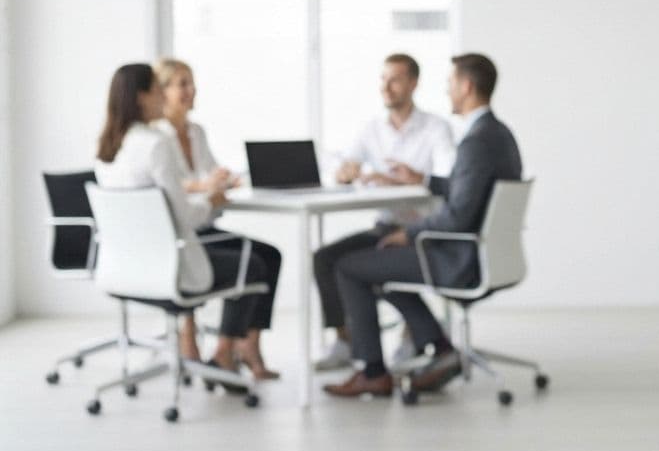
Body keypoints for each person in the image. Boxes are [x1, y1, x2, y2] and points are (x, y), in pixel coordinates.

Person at [324, 53, 522, 398]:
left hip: (459, 255)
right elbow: (467, 192)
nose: (447, 91)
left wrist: (409, 233)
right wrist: (425, 180)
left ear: (466, 86)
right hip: (478, 249)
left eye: (450, 84)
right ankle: (439, 348)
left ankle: (371, 371)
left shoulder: (476, 141)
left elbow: (458, 215)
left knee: (349, 267)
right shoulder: (497, 134)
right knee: (378, 265)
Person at [94, 63, 274, 386]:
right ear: (141, 97)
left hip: (128, 267)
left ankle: (227, 352)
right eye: (158, 89)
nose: (164, 96)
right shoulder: (155, 144)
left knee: (255, 254)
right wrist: (212, 201)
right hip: (172, 264)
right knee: (255, 263)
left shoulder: (108, 148)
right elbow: (185, 217)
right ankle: (225, 352)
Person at [311, 53, 454, 371]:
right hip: (386, 225)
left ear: (413, 83)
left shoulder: (436, 129)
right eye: (383, 79)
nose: (386, 87)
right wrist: (345, 171)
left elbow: (449, 180)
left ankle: (390, 353)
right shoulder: (371, 128)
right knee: (325, 259)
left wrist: (412, 178)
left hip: (422, 230)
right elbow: (342, 162)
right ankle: (346, 341)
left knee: (356, 267)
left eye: (395, 79)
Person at [153, 58, 283, 380]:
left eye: (191, 82)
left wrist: (223, 180)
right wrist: (205, 187)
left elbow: (209, 174)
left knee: (268, 255)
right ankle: (211, 340)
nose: (190, 90)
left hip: (203, 224)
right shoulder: (156, 138)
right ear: (163, 91)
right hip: (179, 232)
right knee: (248, 262)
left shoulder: (197, 132)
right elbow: (168, 186)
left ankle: (243, 344)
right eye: (181, 83)